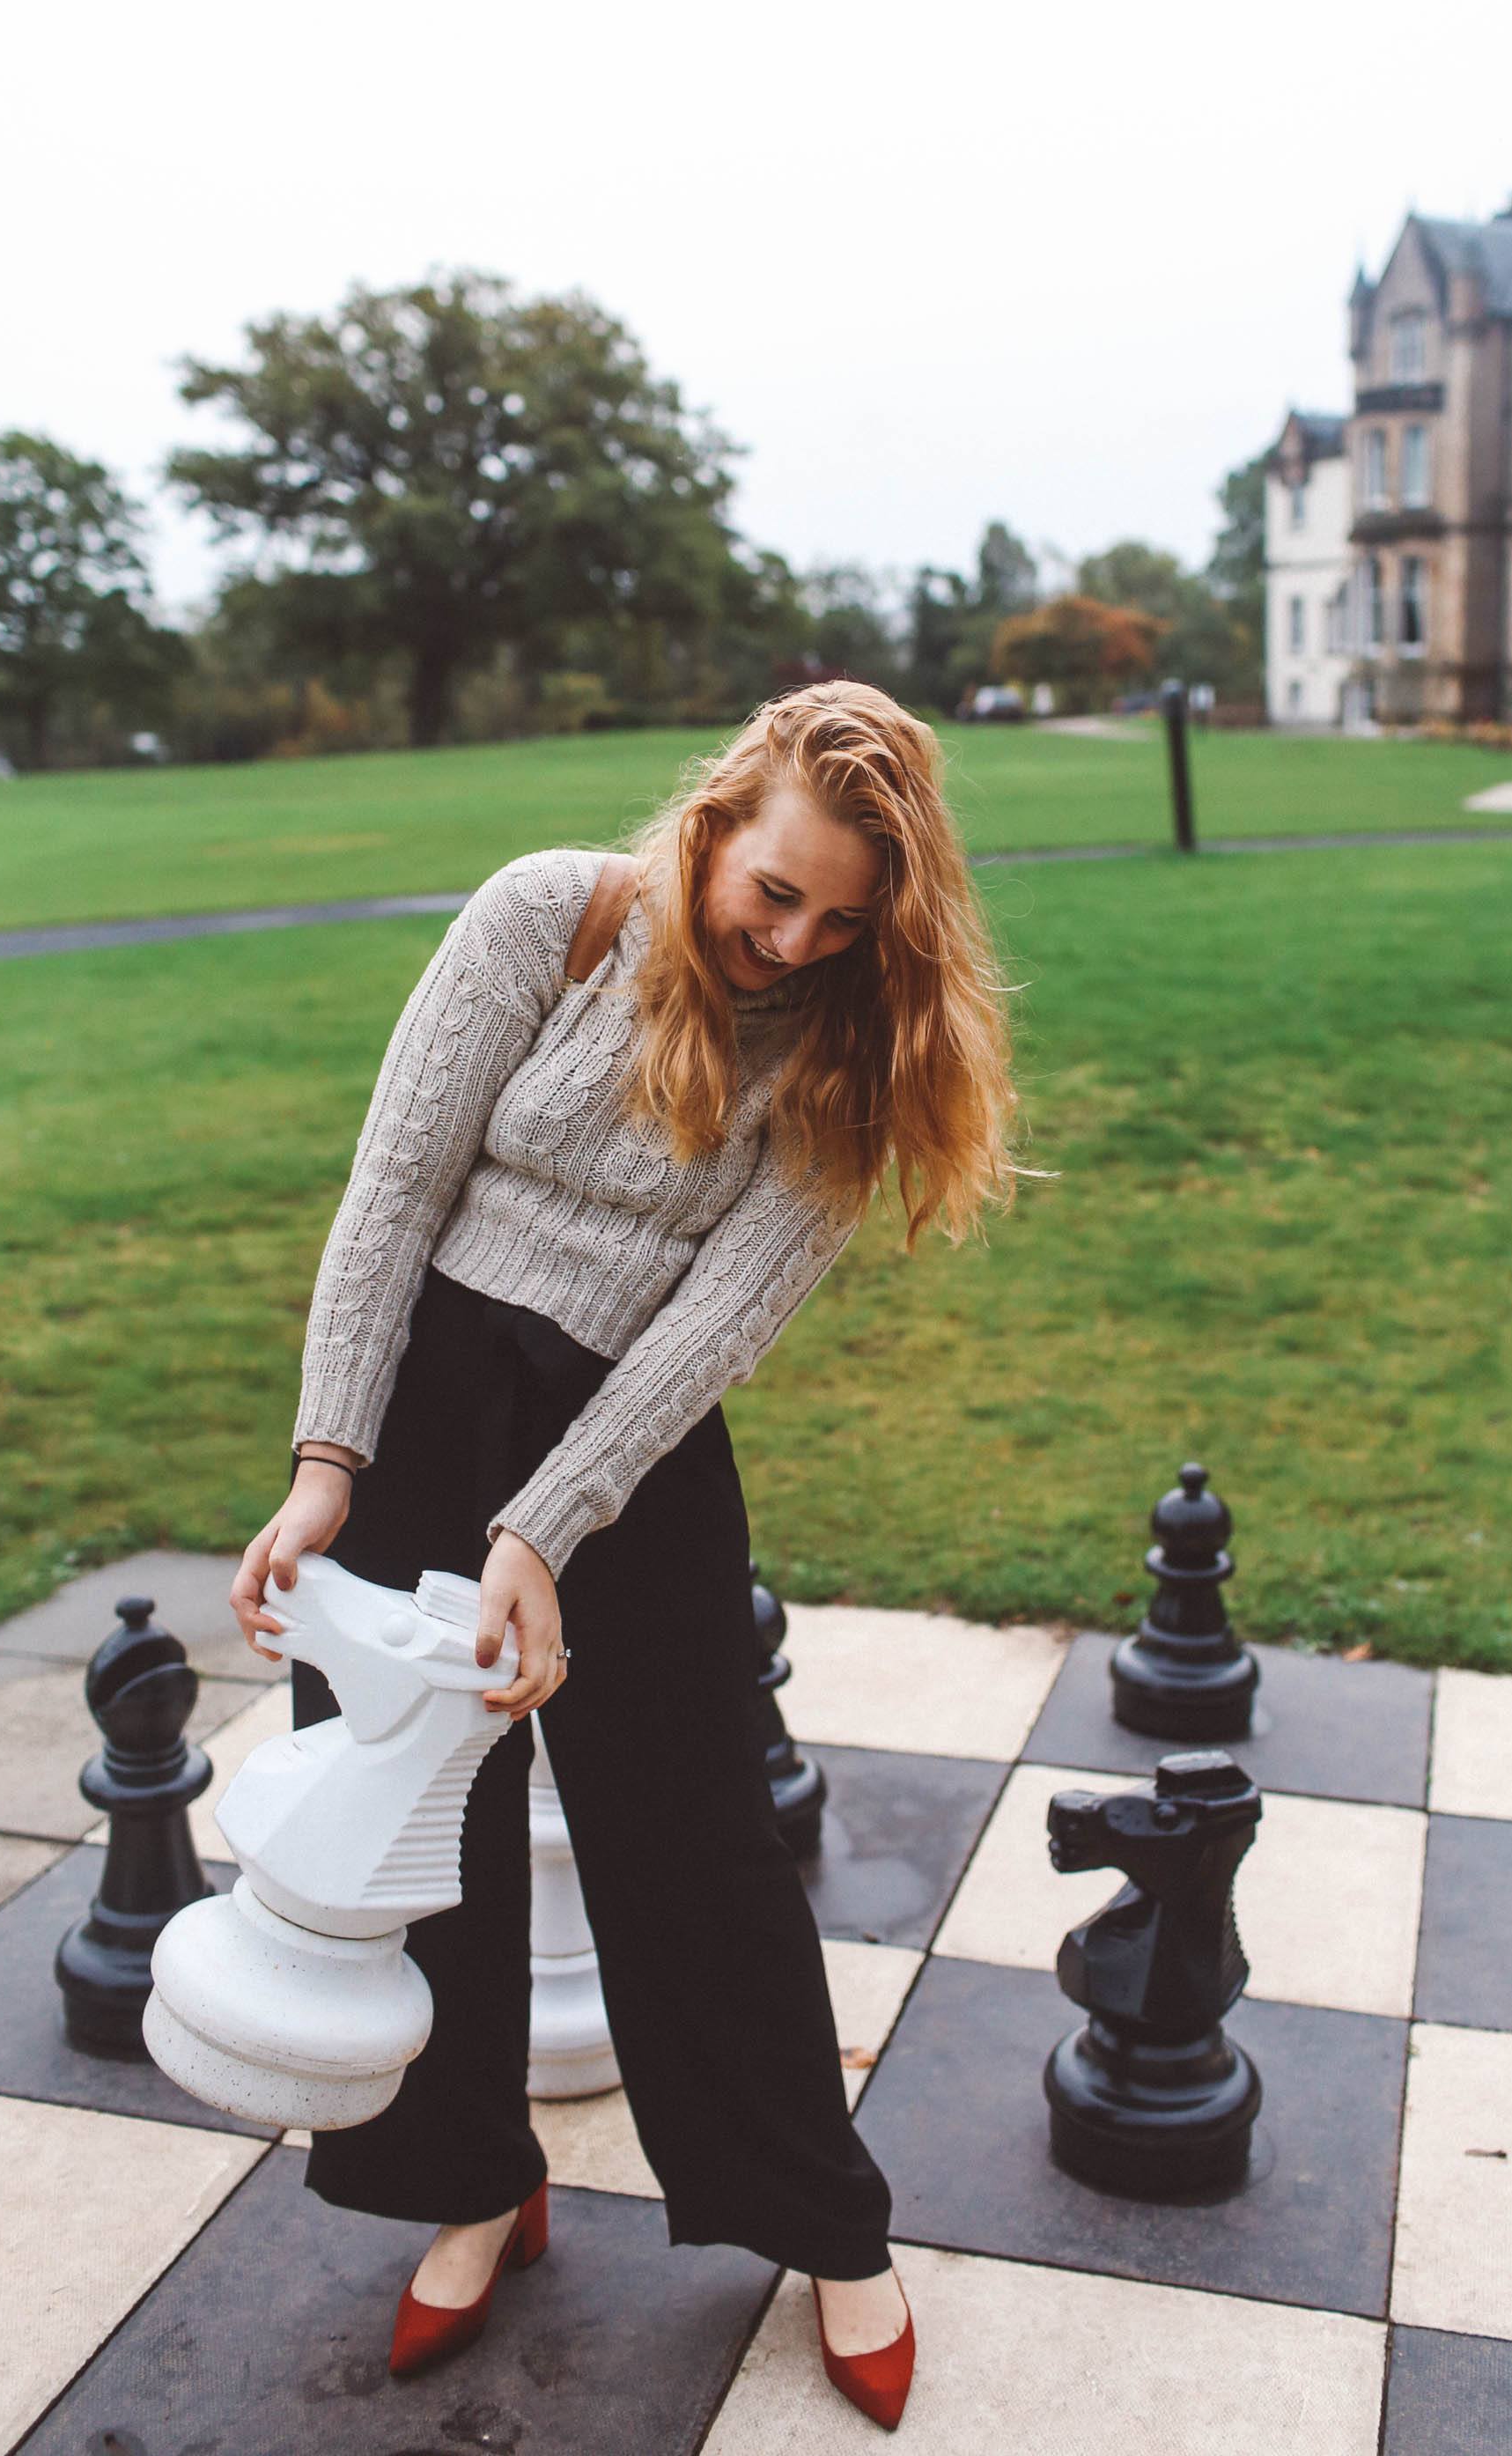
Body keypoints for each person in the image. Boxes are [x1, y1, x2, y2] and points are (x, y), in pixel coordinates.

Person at [229, 681, 1022, 2430]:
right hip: (420, 1407)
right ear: (719, 819)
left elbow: (714, 1320)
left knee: (698, 1855)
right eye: (774, 895)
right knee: (401, 1835)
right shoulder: (551, 914)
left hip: (631, 1450)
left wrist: (546, 1527)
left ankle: (827, 2230)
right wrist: (324, 1465)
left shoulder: (849, 1037)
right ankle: (464, 2184)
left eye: (837, 919)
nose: (793, 940)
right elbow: (391, 1196)